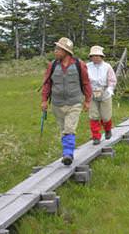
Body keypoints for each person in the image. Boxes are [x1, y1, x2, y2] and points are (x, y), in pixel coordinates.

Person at [41, 37, 92, 166]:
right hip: (57, 104)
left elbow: (86, 83)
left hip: (74, 102)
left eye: (58, 49)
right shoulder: (52, 65)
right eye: (56, 49)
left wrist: (87, 101)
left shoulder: (79, 65)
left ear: (66, 51)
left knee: (69, 128)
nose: (55, 51)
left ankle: (68, 154)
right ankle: (67, 151)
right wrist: (44, 101)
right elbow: (47, 84)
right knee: (63, 129)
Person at [87, 45, 117, 146]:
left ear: (101, 56)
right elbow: (84, 80)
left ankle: (108, 129)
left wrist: (110, 89)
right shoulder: (87, 67)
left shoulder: (107, 66)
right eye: (93, 55)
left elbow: (112, 79)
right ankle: (96, 136)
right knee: (93, 115)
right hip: (92, 92)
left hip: (104, 91)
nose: (96, 57)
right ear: (91, 57)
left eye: (98, 55)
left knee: (106, 116)